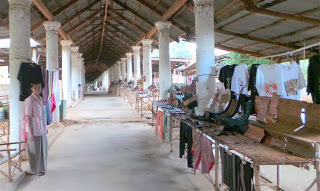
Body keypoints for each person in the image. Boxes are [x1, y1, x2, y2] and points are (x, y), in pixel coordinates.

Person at [24, 83, 48, 176]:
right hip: (33, 129)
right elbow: (28, 117)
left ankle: (42, 168)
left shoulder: (40, 98)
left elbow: (43, 114)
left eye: (39, 87)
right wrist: (30, 133)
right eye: (35, 87)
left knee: (42, 149)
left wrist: (45, 127)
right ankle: (34, 170)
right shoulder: (29, 100)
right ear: (31, 89)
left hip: (41, 128)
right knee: (35, 151)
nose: (38, 89)